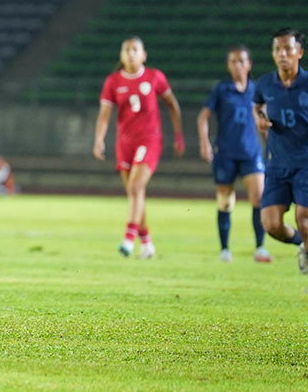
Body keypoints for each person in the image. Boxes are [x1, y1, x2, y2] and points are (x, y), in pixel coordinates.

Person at [93, 36, 184, 259]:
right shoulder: (113, 81)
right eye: (127, 50)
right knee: (135, 194)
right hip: (124, 144)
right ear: (121, 55)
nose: (131, 53)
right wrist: (99, 139)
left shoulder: (155, 77)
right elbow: (105, 116)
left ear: (144, 55)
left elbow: (172, 105)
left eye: (135, 50)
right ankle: (147, 244)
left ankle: (128, 239)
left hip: (149, 140)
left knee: (135, 188)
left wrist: (179, 135)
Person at [196, 45, 269, 263]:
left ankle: (260, 248)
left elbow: (263, 123)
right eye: (233, 62)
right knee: (225, 202)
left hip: (251, 153)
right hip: (225, 153)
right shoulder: (221, 89)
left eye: (241, 61)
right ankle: (225, 249)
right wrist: (204, 143)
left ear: (249, 64)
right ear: (228, 65)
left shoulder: (257, 91)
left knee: (258, 198)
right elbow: (203, 117)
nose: (237, 65)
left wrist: (271, 148)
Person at [252, 27, 308, 274]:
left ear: (300, 53)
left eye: (287, 48)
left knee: (303, 219)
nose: (282, 53)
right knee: (271, 225)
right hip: (276, 164)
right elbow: (256, 105)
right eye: (277, 49)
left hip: (306, 162)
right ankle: (303, 245)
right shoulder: (265, 83)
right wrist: (259, 118)